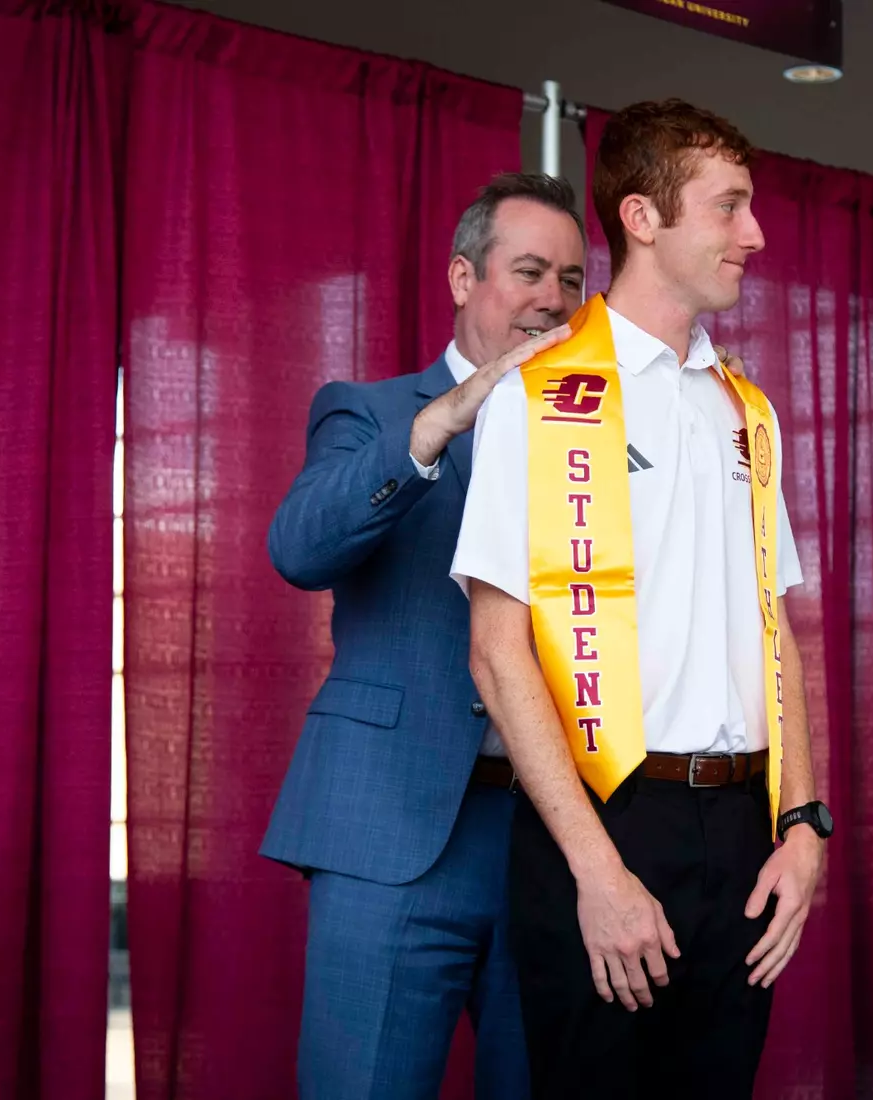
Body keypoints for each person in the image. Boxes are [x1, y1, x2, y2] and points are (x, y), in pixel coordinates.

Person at [451, 100, 833, 1099]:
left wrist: (803, 823)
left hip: (743, 829)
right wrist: (599, 870)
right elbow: (498, 651)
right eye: (731, 207)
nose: (754, 234)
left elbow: (776, 631)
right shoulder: (538, 392)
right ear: (642, 217)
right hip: (606, 820)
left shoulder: (743, 406)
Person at [258, 173, 584, 1100]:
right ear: (461, 277)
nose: (552, 298)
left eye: (570, 279)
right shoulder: (366, 409)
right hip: (390, 835)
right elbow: (297, 547)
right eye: (529, 270)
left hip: (551, 839)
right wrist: (440, 423)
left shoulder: (595, 442)